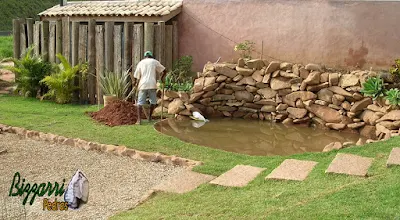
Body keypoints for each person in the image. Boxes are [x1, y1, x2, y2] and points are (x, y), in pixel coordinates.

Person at [133, 51, 166, 125]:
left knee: (140, 103)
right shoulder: (154, 62)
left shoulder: (141, 63)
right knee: (153, 102)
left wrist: (134, 83)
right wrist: (161, 78)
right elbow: (164, 70)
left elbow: (136, 76)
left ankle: (139, 120)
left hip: (143, 85)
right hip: (152, 84)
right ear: (151, 56)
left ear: (145, 56)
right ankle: (150, 117)